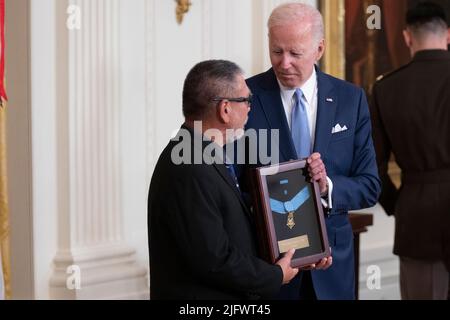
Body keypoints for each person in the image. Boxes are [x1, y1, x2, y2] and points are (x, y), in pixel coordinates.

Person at [242, 3, 381, 300]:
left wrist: (326, 186)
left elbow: (370, 186)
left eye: (295, 53)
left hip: (332, 269)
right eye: (277, 51)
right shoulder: (246, 98)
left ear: (319, 49)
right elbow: (232, 187)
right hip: (270, 270)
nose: (284, 63)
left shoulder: (350, 99)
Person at [147, 60, 299, 299]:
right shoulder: (189, 167)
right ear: (225, 109)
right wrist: (275, 275)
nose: (251, 108)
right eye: (247, 100)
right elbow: (213, 259)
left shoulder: (199, 153)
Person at [370, 2, 450, 300]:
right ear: (449, 34)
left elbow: (374, 168)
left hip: (416, 220)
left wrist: (399, 205)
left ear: (406, 37)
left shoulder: (386, 88)